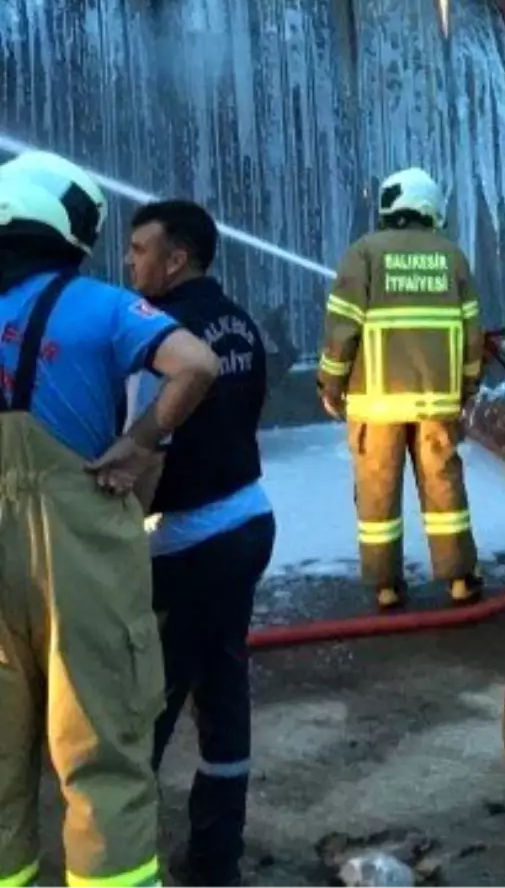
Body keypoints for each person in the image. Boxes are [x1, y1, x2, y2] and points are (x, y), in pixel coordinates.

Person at [0, 150, 218, 888]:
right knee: (102, 752)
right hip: (81, 552)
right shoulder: (102, 305)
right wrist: (139, 439)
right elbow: (196, 363)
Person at [125, 199, 276, 888]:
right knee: (222, 688)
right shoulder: (239, 320)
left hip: (184, 544)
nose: (129, 262)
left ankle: (123, 859)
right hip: (248, 520)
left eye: (139, 249)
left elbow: (144, 450)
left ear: (175, 257)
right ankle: (217, 855)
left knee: (138, 711)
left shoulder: (158, 336)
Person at [318, 167, 485, 611]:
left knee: (377, 491)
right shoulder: (452, 256)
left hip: (376, 402)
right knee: (445, 486)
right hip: (437, 399)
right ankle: (459, 580)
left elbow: (342, 329)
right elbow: (473, 333)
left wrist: (331, 384)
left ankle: (386, 585)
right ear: (430, 207)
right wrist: (468, 384)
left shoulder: (363, 253)